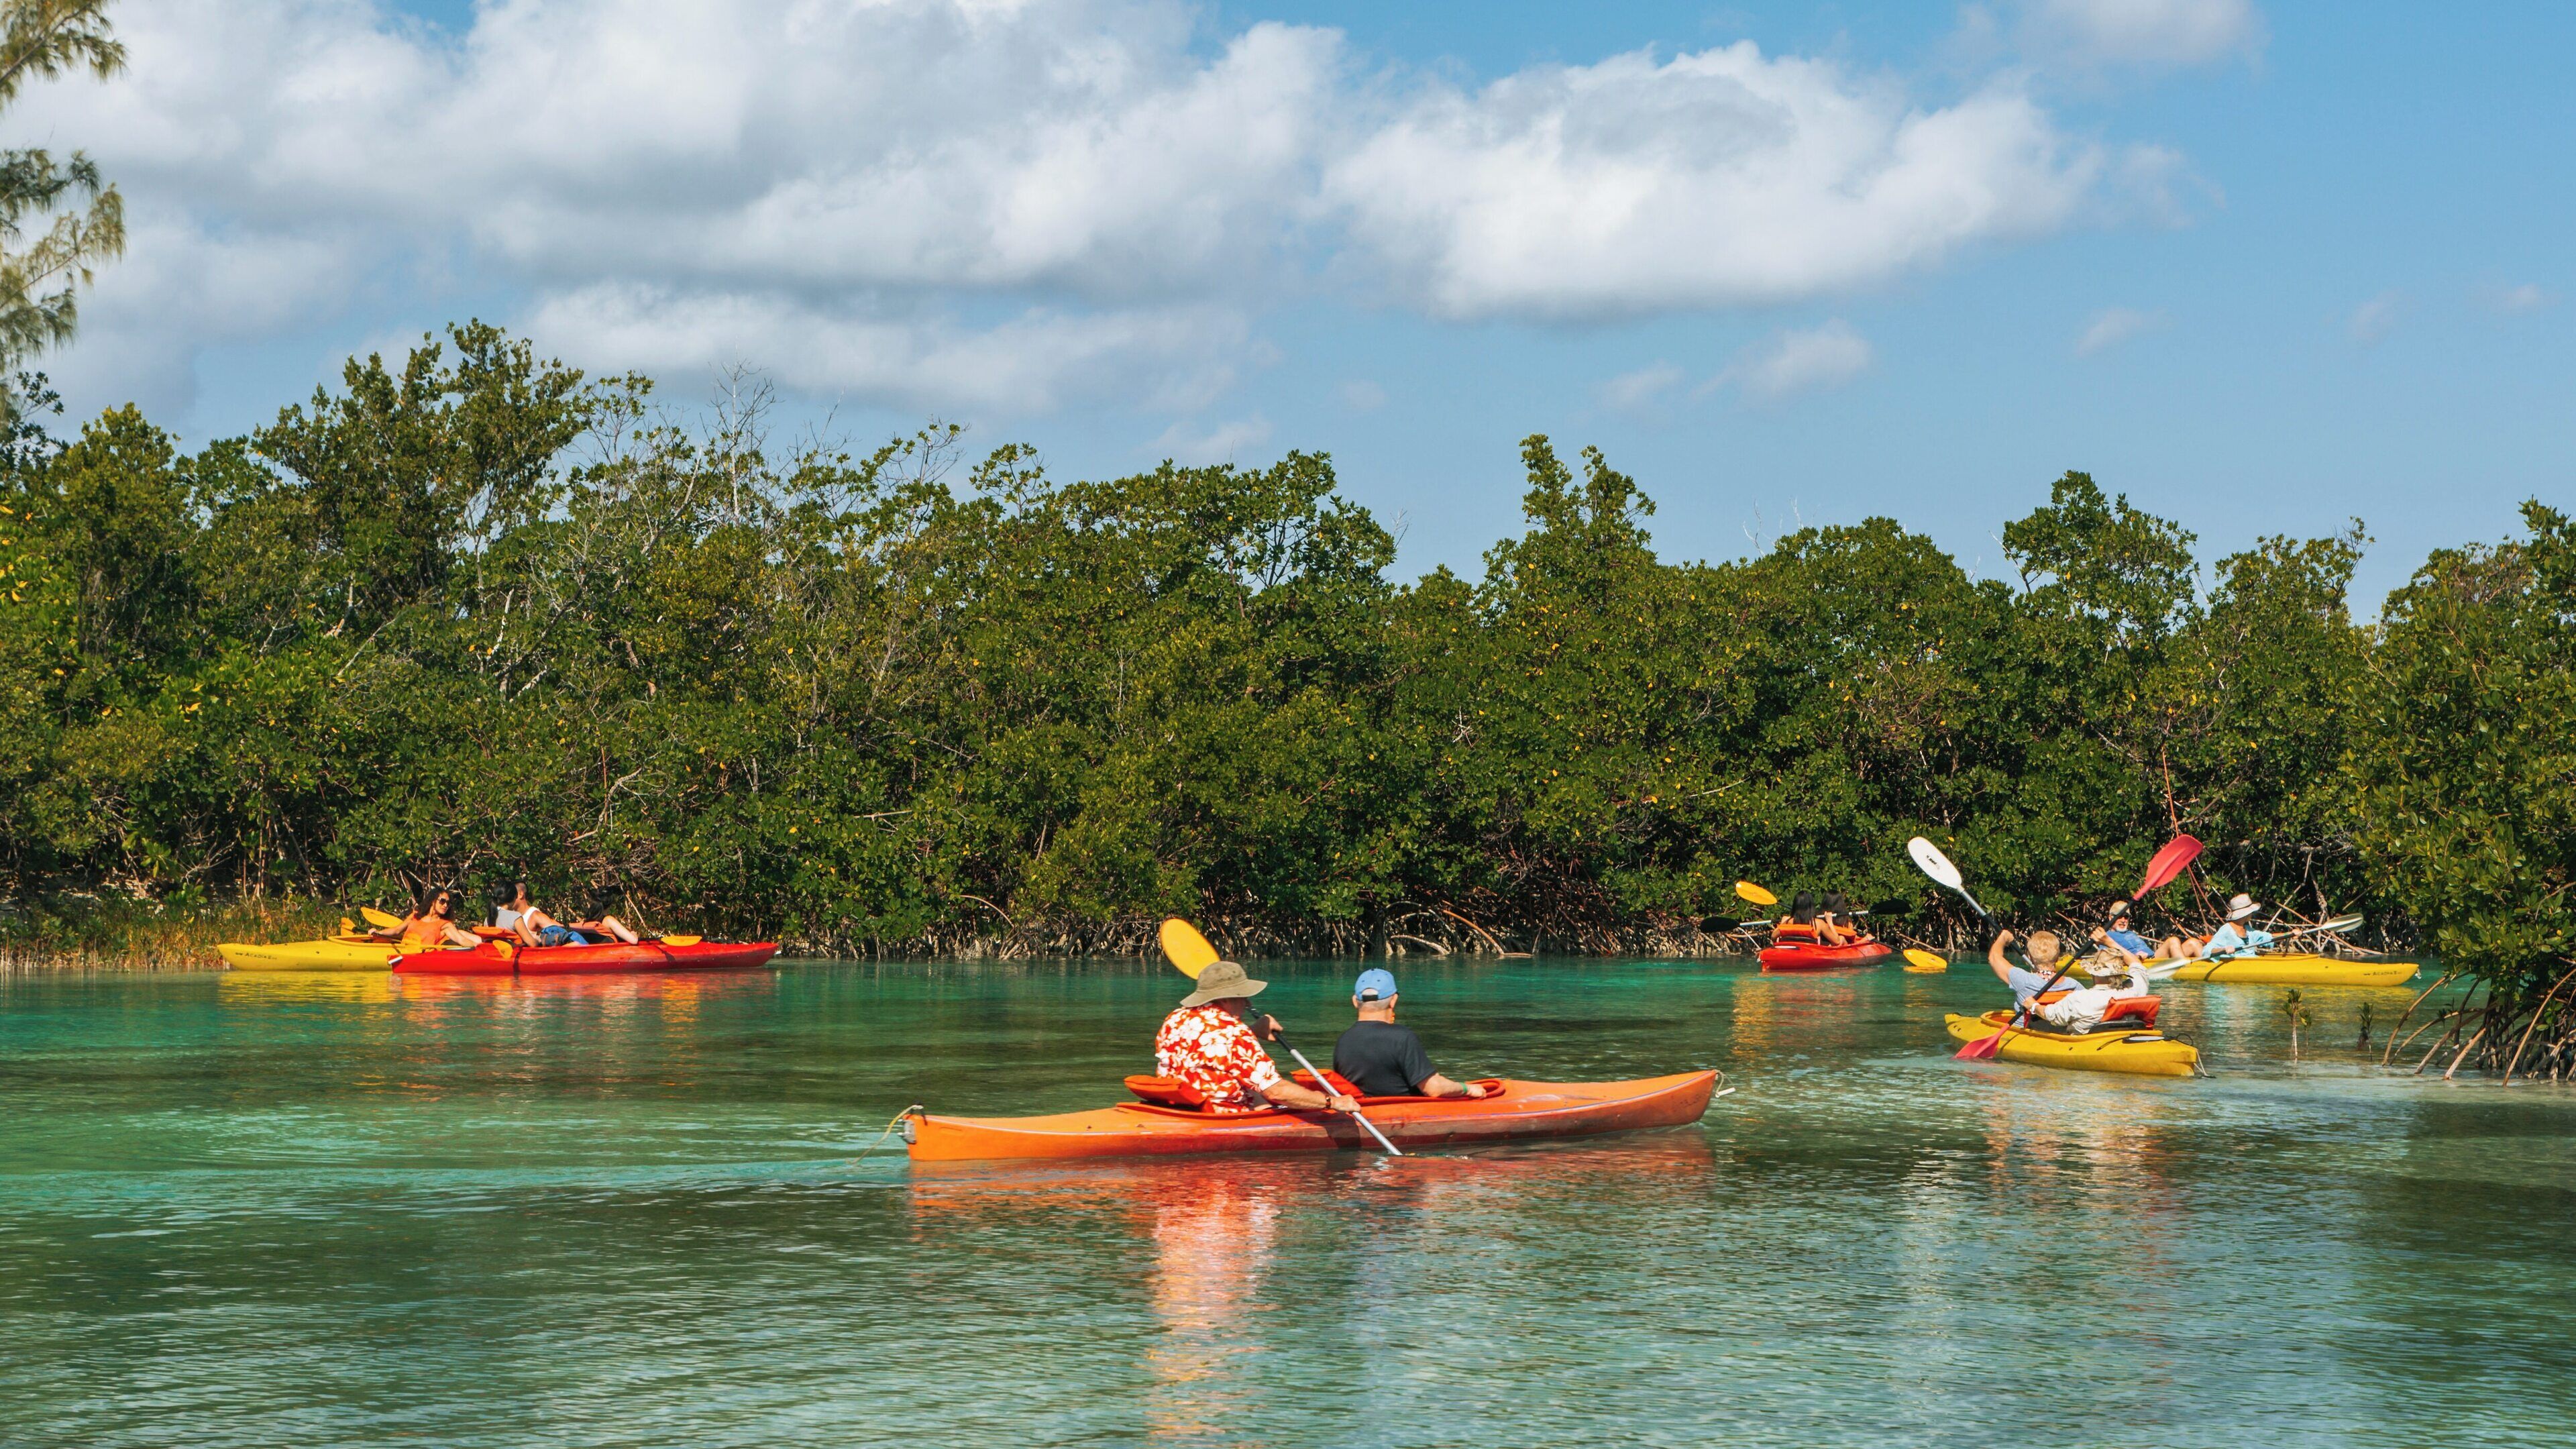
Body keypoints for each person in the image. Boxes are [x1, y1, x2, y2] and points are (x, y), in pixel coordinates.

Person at [1154, 960, 1360, 1116]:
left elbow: (1210, 1051)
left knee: (1257, 1091)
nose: (1248, 1003)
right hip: (1221, 1115)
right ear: (1225, 998)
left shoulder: (1175, 1018)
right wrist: (1331, 1102)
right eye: (1242, 996)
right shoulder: (1234, 1032)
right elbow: (1278, 1092)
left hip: (1179, 1106)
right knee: (1269, 1094)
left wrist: (1252, 1031)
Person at [1332, 968, 1489, 1099]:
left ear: (1354, 1001)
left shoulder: (1343, 1042)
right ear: (1394, 1000)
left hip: (1366, 1114)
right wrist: (1466, 1088)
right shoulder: (1402, 1038)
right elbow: (1433, 1089)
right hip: (1403, 1116)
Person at [1986, 927, 2133, 1034]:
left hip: (2027, 1033)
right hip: (2061, 1033)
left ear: (2029, 958)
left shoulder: (2022, 979)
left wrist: (2004, 938)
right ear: (2057, 958)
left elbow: (1994, 958)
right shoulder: (2074, 986)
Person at [492, 881, 641, 948]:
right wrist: (634, 933)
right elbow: (633, 941)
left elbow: (561, 928)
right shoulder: (608, 920)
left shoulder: (585, 921)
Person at [2161, 893, 2272, 961]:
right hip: (2226, 962)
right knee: (2193, 943)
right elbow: (2207, 951)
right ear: (2245, 913)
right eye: (2251, 912)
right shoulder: (2227, 929)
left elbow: (2268, 937)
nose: (2252, 914)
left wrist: (2289, 934)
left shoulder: (2248, 930)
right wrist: (2223, 949)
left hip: (2248, 960)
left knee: (2194, 943)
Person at [374, 886, 478, 949]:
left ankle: (484, 943)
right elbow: (396, 930)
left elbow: (462, 940)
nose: (446, 905)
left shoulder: (445, 925)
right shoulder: (416, 916)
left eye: (448, 903)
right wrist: (379, 933)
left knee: (463, 933)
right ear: (433, 901)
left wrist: (479, 948)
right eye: (442, 901)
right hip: (405, 950)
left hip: (421, 956)